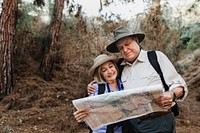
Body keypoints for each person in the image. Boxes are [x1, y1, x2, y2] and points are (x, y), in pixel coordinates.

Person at [87, 26, 188, 133]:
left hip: (160, 121)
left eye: (127, 44)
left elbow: (179, 85)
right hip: (132, 125)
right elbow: (108, 79)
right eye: (120, 48)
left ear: (136, 40)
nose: (125, 50)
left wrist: (171, 94)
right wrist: (93, 85)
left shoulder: (155, 57)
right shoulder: (120, 68)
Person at [73, 54, 131, 133]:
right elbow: (87, 111)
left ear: (115, 67)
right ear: (101, 74)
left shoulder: (124, 83)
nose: (110, 71)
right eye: (104, 70)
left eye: (111, 67)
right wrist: (81, 118)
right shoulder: (96, 88)